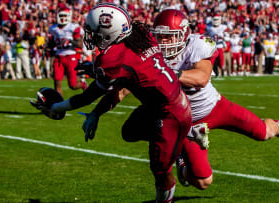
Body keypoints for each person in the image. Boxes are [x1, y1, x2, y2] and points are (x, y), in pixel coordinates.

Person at [32, 4, 192, 202]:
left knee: (160, 171)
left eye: (95, 32)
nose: (91, 36)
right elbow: (131, 68)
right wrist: (97, 108)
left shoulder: (112, 59)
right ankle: (178, 144)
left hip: (168, 113)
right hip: (169, 100)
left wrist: (56, 107)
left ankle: (178, 155)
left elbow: (88, 96)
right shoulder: (140, 33)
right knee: (130, 131)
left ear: (109, 33)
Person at [150, 9, 279, 191]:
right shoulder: (151, 54)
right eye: (159, 36)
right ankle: (182, 164)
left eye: (169, 36)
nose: (163, 42)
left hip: (215, 107)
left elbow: (201, 78)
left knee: (262, 133)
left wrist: (167, 73)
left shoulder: (197, 45)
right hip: (189, 122)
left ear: (183, 34)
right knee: (202, 182)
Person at [48, 6, 87, 96]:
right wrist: (47, 46)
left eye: (64, 16)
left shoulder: (73, 27)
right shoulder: (53, 28)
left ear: (69, 16)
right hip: (58, 57)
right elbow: (52, 44)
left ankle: (83, 84)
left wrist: (70, 41)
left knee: (72, 85)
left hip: (70, 57)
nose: (62, 18)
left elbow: (80, 45)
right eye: (60, 16)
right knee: (57, 84)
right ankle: (59, 106)